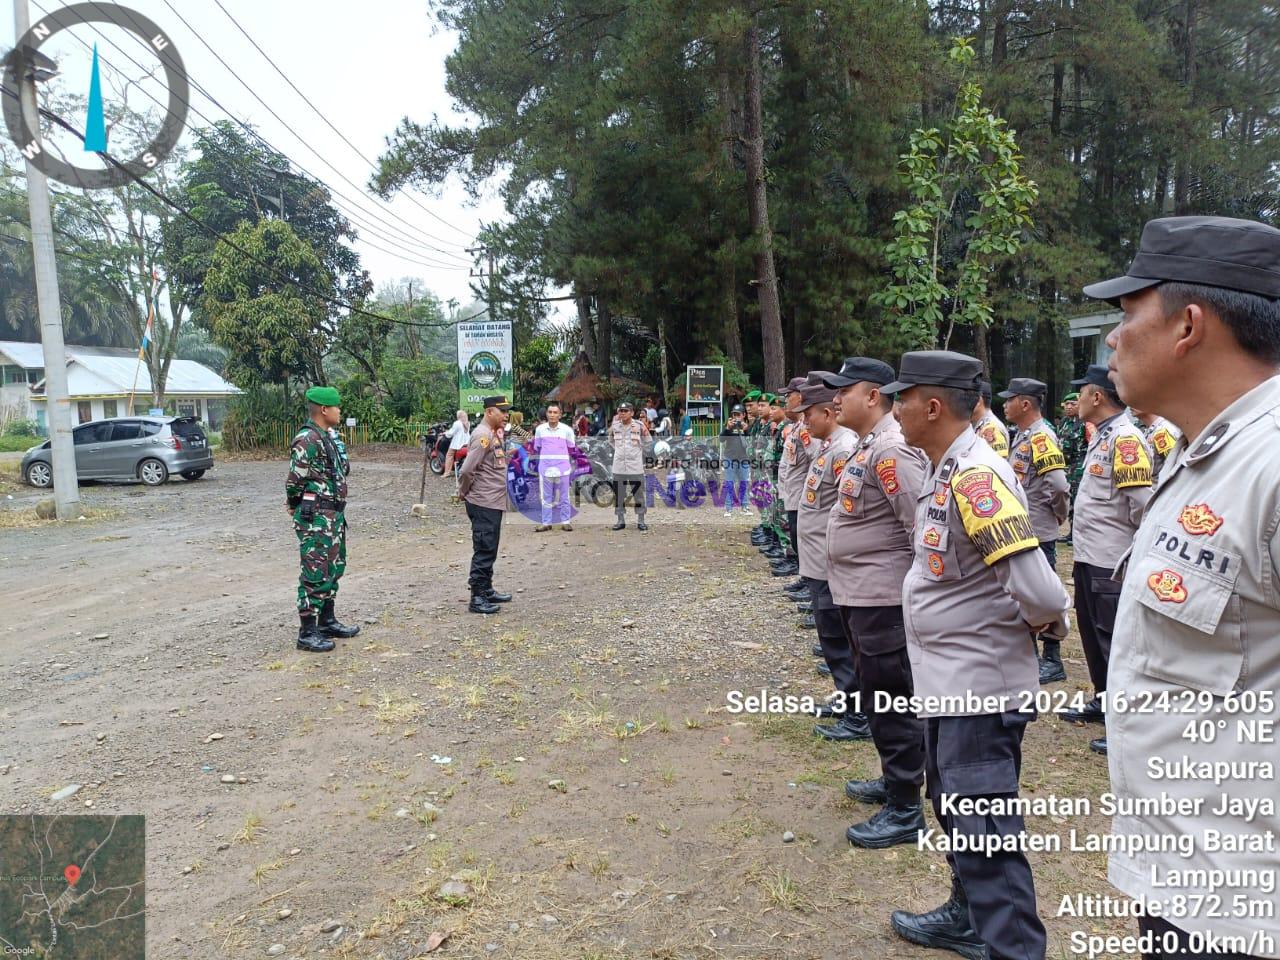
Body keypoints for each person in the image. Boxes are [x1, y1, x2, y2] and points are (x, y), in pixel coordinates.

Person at [1083, 215, 1280, 959]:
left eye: (1128, 313)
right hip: (1190, 876)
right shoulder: (1206, 454)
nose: (1112, 339)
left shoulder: (1270, 464)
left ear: (1188, 325)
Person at [885, 351, 1070, 960]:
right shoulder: (945, 467)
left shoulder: (976, 477)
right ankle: (968, 916)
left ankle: (1014, 948)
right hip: (951, 684)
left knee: (986, 835)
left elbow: (1040, 590)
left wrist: (1037, 628)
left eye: (902, 398)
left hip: (979, 690)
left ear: (932, 405)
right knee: (957, 812)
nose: (895, 408)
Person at [822, 358, 929, 848]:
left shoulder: (892, 450)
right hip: (861, 597)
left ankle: (906, 808)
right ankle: (895, 779)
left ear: (873, 396)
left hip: (883, 600)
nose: (836, 398)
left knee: (892, 701)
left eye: (846, 390)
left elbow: (920, 531)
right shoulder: (870, 446)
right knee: (878, 698)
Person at [1058, 364, 1153, 758]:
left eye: (1082, 393)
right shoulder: (1106, 435)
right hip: (1089, 556)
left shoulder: (1126, 439)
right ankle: (1103, 699)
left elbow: (1142, 508)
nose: (1076, 400)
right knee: (1094, 638)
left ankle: (1126, 724)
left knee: (1114, 642)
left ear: (1097, 396)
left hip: (1110, 562)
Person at [794, 378, 870, 743]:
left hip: (828, 563)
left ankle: (857, 714)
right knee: (832, 638)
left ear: (827, 412)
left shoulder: (842, 450)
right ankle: (847, 701)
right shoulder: (829, 446)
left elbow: (845, 512)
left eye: (809, 414)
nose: (804, 421)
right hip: (816, 561)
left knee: (839, 642)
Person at [999, 377, 1071, 683]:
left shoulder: (1041, 438)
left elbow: (1058, 485)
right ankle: (1030, 654)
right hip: (1027, 527)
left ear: (1024, 403)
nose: (1004, 404)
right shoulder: (1023, 436)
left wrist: (1057, 517)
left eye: (1009, 399)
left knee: (1044, 592)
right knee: (1023, 593)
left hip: (1039, 528)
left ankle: (1052, 659)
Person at [286, 385, 361, 653]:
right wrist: (296, 506)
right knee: (315, 572)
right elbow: (294, 481)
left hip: (332, 515)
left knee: (334, 567)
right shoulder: (307, 439)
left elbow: (345, 470)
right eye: (337, 407)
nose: (340, 411)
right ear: (324, 409)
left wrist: (337, 441)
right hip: (316, 516)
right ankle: (307, 632)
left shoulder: (326, 437)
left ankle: (326, 620)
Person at [458, 396, 515, 614]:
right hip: (483, 501)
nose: (506, 415)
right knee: (484, 548)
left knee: (490, 547)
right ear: (490, 412)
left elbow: (490, 464)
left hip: (493, 500)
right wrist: (464, 492)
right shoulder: (482, 436)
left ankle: (487, 589)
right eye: (502, 411)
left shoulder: (492, 434)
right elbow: (466, 470)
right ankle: (477, 597)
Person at [532, 402, 577, 532]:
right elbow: (538, 447)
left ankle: (566, 521)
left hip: (563, 468)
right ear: (546, 414)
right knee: (546, 497)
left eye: (555, 412)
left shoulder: (567, 430)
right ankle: (546, 523)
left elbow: (571, 448)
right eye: (550, 412)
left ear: (560, 415)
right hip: (545, 468)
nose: (552, 415)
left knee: (564, 496)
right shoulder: (540, 429)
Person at [609, 401, 649, 531]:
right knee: (619, 494)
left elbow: (648, 442)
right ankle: (620, 520)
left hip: (635, 466)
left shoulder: (639, 426)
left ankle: (641, 521)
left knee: (638, 494)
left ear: (632, 412)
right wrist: (619, 452)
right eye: (621, 410)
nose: (623, 413)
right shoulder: (615, 427)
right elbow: (610, 440)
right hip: (619, 466)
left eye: (626, 411)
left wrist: (639, 453)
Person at [1055, 392, 1087, 543]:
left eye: (1072, 404)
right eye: (1066, 404)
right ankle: (1070, 533)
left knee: (1079, 501)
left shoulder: (1086, 423)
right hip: (1066, 467)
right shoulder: (1064, 423)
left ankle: (1078, 535)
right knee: (1070, 500)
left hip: (1080, 466)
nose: (1068, 407)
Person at [1128, 406, 1181, 480]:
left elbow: (1174, 466)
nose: (1130, 406)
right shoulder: (1149, 430)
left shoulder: (1162, 431)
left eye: (1136, 402)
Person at [720, 404, 751, 516]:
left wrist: (746, 430)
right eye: (734, 414)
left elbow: (751, 442)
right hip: (729, 458)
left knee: (743, 483)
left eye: (738, 414)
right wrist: (728, 428)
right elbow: (721, 440)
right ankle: (729, 508)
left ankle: (745, 507)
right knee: (729, 483)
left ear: (743, 415)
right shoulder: (729, 426)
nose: (736, 417)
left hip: (743, 459)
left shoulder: (747, 426)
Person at [971, 380, 1009, 457]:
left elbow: (997, 466)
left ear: (978, 401)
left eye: (967, 398)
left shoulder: (992, 428)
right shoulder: (981, 425)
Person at [442, 409, 470, 476]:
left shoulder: (457, 423)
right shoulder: (467, 422)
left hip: (458, 444)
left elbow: (451, 433)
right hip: (467, 442)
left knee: (449, 455)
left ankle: (447, 472)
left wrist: (445, 433)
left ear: (458, 416)